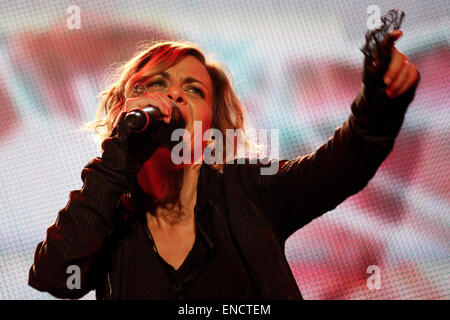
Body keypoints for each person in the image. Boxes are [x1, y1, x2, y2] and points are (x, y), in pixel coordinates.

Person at [28, 28, 419, 299]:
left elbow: (344, 163)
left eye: (193, 90)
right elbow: (55, 276)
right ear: (122, 109)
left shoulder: (251, 189)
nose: (174, 96)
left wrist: (379, 99)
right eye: (157, 85)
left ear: (210, 128)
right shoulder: (104, 217)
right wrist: (121, 151)